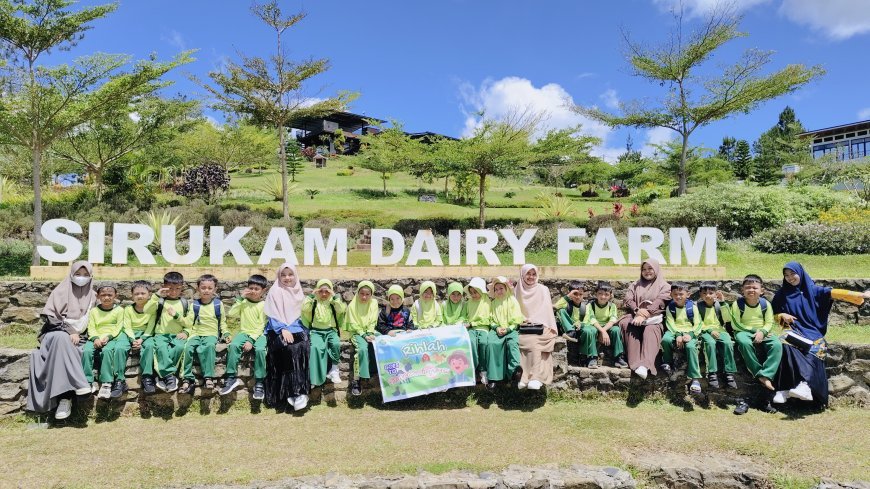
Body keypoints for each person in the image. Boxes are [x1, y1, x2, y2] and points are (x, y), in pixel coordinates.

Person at [772, 262, 869, 408]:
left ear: (801, 273)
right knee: (784, 347)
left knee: (816, 348)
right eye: (786, 275)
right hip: (794, 332)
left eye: (793, 274)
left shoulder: (814, 290)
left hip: (813, 333)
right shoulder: (781, 294)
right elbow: (772, 314)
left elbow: (835, 293)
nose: (790, 278)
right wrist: (781, 315)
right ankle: (784, 389)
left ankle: (805, 386)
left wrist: (861, 295)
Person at [26, 261, 96, 420]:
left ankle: (66, 399)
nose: (81, 278)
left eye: (86, 275)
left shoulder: (93, 296)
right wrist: (70, 331)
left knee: (74, 350)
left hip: (81, 338)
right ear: (71, 274)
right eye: (78, 274)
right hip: (55, 333)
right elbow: (51, 318)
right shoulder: (60, 291)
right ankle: (81, 385)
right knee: (62, 339)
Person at [263, 263, 310, 412]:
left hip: (296, 327)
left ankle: (301, 391)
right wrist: (283, 328)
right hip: (277, 329)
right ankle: (289, 393)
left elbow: (302, 316)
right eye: (283, 275)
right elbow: (272, 314)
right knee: (287, 348)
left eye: (290, 274)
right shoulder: (275, 291)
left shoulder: (299, 292)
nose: (287, 278)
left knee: (303, 346)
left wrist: (292, 328)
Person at [731, 274, 780, 415]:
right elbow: (736, 324)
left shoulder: (765, 304)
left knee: (776, 344)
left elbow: (770, 322)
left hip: (763, 333)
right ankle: (760, 374)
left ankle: (767, 373)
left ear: (762, 290)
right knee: (744, 342)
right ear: (742, 290)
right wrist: (755, 331)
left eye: (755, 287)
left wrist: (763, 332)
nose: (751, 290)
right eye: (748, 287)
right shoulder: (738, 304)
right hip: (743, 331)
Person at [617, 259, 671, 379]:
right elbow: (628, 299)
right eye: (644, 269)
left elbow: (660, 301)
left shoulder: (665, 286)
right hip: (635, 316)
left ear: (656, 269)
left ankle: (645, 365)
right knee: (626, 323)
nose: (647, 272)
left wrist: (645, 313)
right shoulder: (635, 284)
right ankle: (635, 364)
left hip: (654, 319)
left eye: (650, 268)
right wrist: (637, 311)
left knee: (650, 330)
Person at [221, 275, 269, 401]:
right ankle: (231, 378)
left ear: (263, 291)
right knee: (233, 345)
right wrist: (240, 298)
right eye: (251, 288)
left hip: (259, 335)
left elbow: (261, 326)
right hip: (244, 333)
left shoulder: (264, 305)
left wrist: (251, 340)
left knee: (260, 350)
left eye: (256, 289)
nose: (253, 291)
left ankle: (259, 382)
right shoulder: (243, 302)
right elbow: (231, 314)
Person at [144, 271, 193, 393]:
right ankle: (170, 378)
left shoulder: (185, 303)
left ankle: (163, 377)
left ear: (182, 287)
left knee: (179, 347)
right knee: (161, 348)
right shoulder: (160, 301)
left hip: (178, 335)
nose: (174, 291)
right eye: (170, 288)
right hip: (161, 335)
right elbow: (146, 310)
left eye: (177, 288)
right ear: (164, 286)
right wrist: (156, 296)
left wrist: (186, 332)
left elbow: (189, 323)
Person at [82, 285, 130, 400]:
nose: (106, 298)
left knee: (107, 351)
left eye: (110, 295)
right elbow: (91, 327)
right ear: (98, 296)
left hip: (112, 338)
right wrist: (95, 338)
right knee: (87, 351)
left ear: (115, 296)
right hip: (96, 337)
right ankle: (87, 381)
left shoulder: (119, 310)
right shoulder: (94, 311)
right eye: (103, 295)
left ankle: (106, 383)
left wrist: (108, 337)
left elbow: (119, 327)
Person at [179, 274, 225, 395]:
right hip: (195, 333)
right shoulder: (194, 304)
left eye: (210, 288)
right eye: (203, 287)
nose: (206, 290)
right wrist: (184, 331)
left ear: (215, 289)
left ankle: (208, 377)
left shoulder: (217, 304)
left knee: (209, 346)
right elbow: (189, 322)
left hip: (211, 334)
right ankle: (186, 377)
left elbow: (223, 322)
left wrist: (226, 334)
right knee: (188, 347)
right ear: (198, 288)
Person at [513, 264, 557, 390]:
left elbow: (546, 309)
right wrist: (523, 319)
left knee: (534, 342)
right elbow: (514, 309)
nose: (531, 277)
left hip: (542, 326)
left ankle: (535, 377)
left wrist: (533, 320)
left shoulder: (543, 289)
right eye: (528, 274)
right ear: (522, 275)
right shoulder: (517, 289)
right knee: (520, 341)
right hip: (523, 326)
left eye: (534, 274)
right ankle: (523, 377)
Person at [301, 279, 346, 387]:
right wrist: (312, 295)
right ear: (317, 291)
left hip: (331, 331)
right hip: (316, 331)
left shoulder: (333, 302)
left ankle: (334, 370)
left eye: (327, 291)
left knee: (335, 344)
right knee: (315, 348)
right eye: (321, 291)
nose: (324, 294)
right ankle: (314, 378)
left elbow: (341, 310)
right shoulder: (314, 302)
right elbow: (304, 308)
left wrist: (334, 296)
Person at [660, 282, 703, 394]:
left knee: (690, 347)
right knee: (666, 340)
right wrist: (678, 335)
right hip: (674, 331)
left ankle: (695, 379)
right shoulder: (671, 307)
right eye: (675, 294)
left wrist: (691, 335)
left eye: (681, 294)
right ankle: (667, 362)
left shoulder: (692, 307)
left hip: (690, 332)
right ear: (671, 295)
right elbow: (670, 323)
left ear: (687, 294)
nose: (678, 297)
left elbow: (698, 324)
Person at [696, 282, 738, 390]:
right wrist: (709, 330)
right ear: (700, 295)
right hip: (705, 331)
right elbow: (698, 323)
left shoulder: (719, 305)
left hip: (720, 330)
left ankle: (729, 373)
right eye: (705, 293)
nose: (708, 295)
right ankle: (712, 373)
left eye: (711, 293)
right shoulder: (698, 306)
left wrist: (723, 302)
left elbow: (727, 318)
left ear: (716, 294)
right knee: (710, 343)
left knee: (728, 343)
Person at [343, 281, 380, 396]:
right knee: (362, 349)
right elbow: (353, 324)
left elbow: (373, 320)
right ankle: (357, 380)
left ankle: (379, 372)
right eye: (362, 293)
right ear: (358, 293)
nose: (364, 297)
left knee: (383, 341)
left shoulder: (374, 303)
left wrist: (369, 333)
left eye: (367, 294)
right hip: (356, 333)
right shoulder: (352, 305)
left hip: (370, 331)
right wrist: (364, 335)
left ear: (371, 294)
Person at [486, 276, 523, 389]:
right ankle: (493, 378)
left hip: (511, 329)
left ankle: (514, 373)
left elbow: (517, 319)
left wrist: (508, 329)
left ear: (506, 288)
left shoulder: (512, 301)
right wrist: (496, 328)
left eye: (501, 288)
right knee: (492, 344)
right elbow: (490, 319)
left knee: (512, 344)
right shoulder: (493, 303)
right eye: (496, 289)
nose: (498, 291)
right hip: (496, 329)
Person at [578, 281, 626, 368]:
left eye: (606, 294)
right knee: (589, 330)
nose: (603, 296)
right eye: (600, 293)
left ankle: (618, 357)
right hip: (594, 326)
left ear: (610, 295)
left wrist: (603, 331)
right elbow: (592, 319)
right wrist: (602, 331)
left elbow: (612, 320)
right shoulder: (590, 305)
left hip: (606, 327)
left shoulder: (612, 306)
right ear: (596, 294)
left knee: (616, 330)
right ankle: (592, 357)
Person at [123, 281, 158, 394]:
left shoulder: (152, 309)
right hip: (130, 334)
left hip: (146, 335)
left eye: (143, 293)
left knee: (150, 346)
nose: (140, 296)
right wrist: (133, 340)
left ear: (149, 295)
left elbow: (151, 326)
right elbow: (127, 327)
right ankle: (118, 379)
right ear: (132, 295)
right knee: (120, 347)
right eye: (136, 294)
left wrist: (142, 339)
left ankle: (147, 377)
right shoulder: (128, 309)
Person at [465, 277, 491, 384]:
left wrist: (473, 323)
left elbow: (487, 319)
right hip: (471, 328)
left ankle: (483, 370)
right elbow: (467, 316)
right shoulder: (469, 303)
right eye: (471, 292)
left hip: (483, 328)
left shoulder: (487, 302)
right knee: (471, 342)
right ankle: (473, 369)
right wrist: (467, 323)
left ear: (481, 290)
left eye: (475, 292)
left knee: (483, 343)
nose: (473, 295)